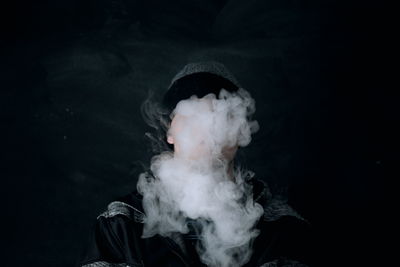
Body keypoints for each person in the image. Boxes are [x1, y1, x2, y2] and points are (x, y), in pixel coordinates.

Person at [78, 62, 312, 267]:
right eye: (191, 115)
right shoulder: (121, 223)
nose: (206, 130)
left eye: (220, 116)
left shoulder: (280, 226)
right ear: (170, 132)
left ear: (241, 132)